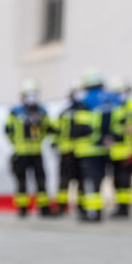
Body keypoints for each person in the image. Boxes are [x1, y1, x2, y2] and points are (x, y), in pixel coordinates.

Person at [72, 67, 120, 222]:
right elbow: (121, 122)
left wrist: (97, 138)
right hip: (105, 149)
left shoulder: (83, 101)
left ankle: (93, 213)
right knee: (99, 180)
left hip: (88, 149)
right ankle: (96, 211)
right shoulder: (113, 99)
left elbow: (81, 127)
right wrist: (110, 138)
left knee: (90, 182)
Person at [5, 79, 54, 217]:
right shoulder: (15, 112)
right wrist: (16, 144)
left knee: (41, 180)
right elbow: (8, 130)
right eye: (29, 94)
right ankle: (22, 208)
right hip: (21, 153)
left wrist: (40, 140)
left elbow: (47, 129)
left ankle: (44, 208)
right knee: (21, 181)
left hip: (37, 152)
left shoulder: (42, 112)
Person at [107, 77, 132, 218]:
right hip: (114, 152)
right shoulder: (111, 109)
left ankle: (125, 208)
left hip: (129, 151)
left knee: (125, 181)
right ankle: (120, 207)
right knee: (116, 181)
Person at [53, 80, 83, 215]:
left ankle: (78, 205)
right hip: (72, 152)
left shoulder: (67, 113)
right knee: (66, 181)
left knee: (77, 180)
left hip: (75, 152)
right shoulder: (66, 113)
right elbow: (56, 131)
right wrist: (55, 144)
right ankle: (64, 205)